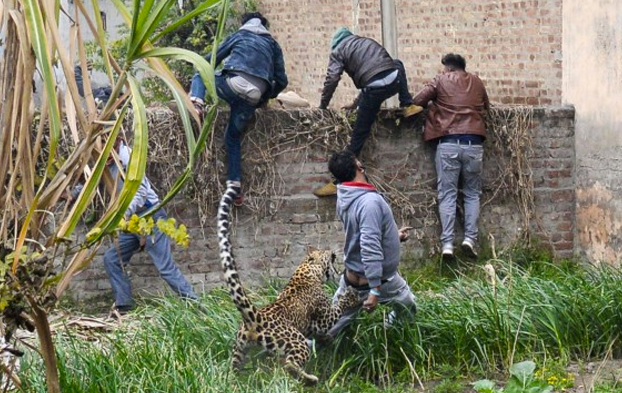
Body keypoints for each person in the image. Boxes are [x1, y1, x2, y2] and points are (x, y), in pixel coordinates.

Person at [189, 12, 288, 206]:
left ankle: (197, 105)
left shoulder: (240, 35)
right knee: (233, 138)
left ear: (244, 23)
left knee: (200, 73)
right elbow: (282, 80)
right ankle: (235, 189)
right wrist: (265, 97)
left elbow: (209, 60)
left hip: (234, 84)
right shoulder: (273, 45)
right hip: (254, 95)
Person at [313, 28, 423, 198]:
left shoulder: (338, 51)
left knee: (359, 134)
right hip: (394, 80)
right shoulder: (364, 42)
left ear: (335, 44)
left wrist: (323, 106)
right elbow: (375, 73)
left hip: (374, 89)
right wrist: (356, 104)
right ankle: (407, 104)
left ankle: (339, 182)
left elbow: (333, 78)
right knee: (397, 63)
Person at [324, 150, 417, 339]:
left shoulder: (345, 195)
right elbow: (369, 246)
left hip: (351, 276)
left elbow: (361, 234)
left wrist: (392, 236)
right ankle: (389, 335)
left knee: (328, 327)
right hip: (378, 280)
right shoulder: (370, 202)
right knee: (407, 307)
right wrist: (375, 289)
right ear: (359, 166)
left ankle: (300, 350)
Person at [102, 137, 198, 315]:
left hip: (149, 215)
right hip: (132, 220)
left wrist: (124, 213)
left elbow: (141, 191)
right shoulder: (106, 159)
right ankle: (124, 306)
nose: (102, 145)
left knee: (165, 268)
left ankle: (196, 306)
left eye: (105, 141)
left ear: (116, 139)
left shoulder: (128, 157)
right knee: (112, 259)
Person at [412, 53, 490, 261]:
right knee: (472, 194)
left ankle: (447, 244)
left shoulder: (440, 80)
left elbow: (418, 100)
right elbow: (486, 107)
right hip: (474, 144)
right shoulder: (477, 82)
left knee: (447, 194)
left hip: (448, 144)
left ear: (447, 69)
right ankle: (469, 240)